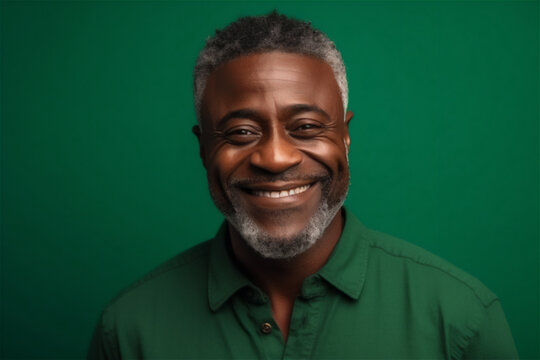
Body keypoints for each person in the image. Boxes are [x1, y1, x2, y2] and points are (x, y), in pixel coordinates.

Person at [88, 11, 518, 359]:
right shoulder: (129, 333)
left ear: (345, 138)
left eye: (307, 126)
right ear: (203, 149)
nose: (275, 159)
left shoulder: (460, 321)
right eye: (240, 132)